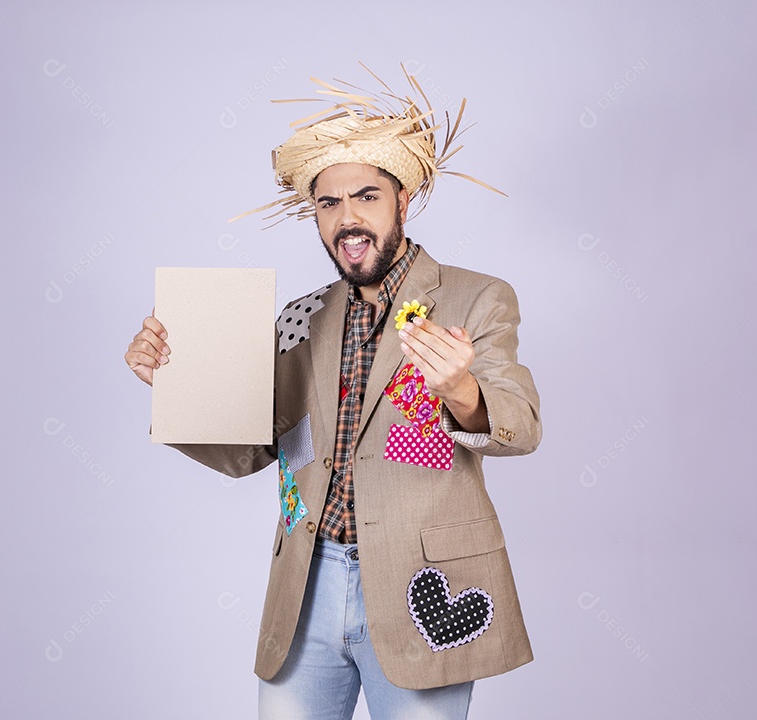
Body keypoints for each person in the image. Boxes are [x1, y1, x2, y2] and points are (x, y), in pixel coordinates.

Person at [124, 65, 542, 720]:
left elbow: (520, 422)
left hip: (418, 586)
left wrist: (460, 389)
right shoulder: (299, 316)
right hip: (306, 592)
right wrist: (175, 384)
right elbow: (249, 449)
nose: (347, 218)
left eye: (366, 197)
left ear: (403, 200)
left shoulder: (476, 296)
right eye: (329, 203)